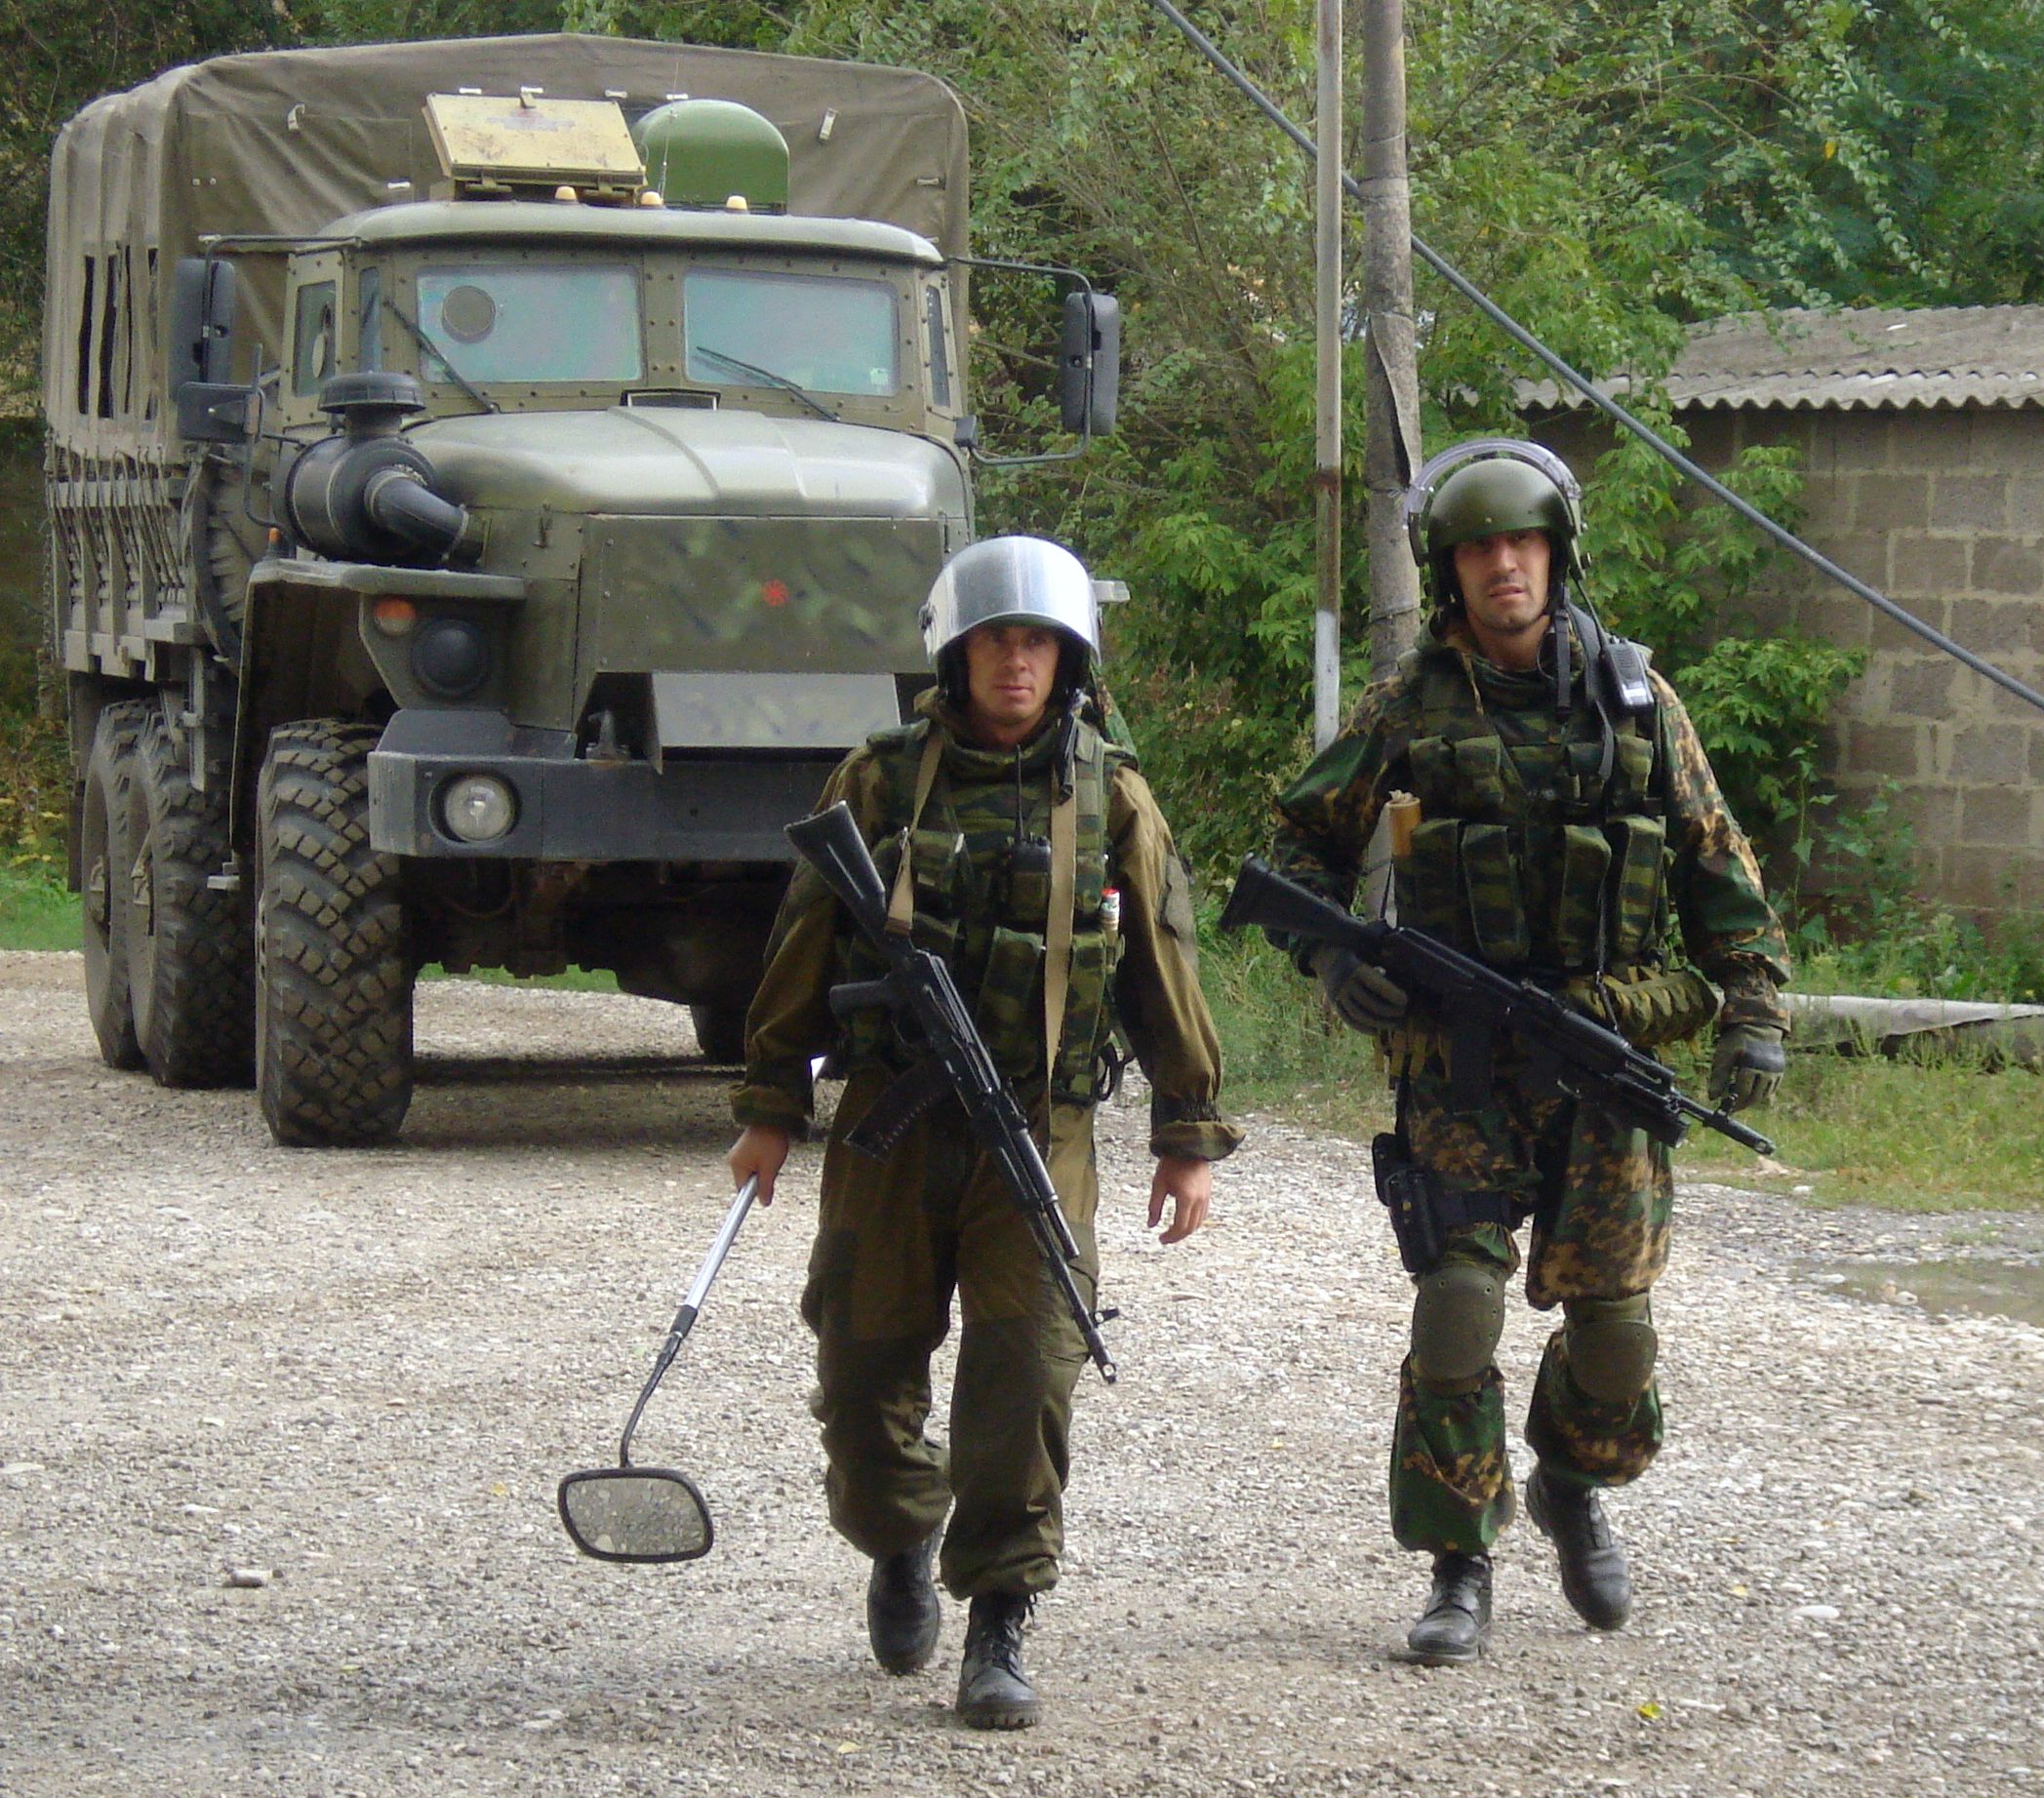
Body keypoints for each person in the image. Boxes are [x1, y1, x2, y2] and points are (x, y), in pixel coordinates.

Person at [1267, 440, 1789, 1664]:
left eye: (1524, 543)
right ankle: (1459, 1562)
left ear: (1556, 551)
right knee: (1456, 1309)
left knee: (1616, 1334)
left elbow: (1720, 866)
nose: (1504, 565)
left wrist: (1754, 1009)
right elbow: (1298, 851)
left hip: (1603, 1058)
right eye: (1478, 548)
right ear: (1449, 570)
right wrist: (1339, 963)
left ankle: (1567, 1480)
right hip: (1457, 1062)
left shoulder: (1638, 699)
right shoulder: (1408, 707)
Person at [726, 536, 1240, 1727]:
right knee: (860, 1369)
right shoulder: (878, 778)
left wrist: (1187, 1128)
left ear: (1068, 656)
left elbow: (1165, 966)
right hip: (888, 1129)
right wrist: (767, 1107)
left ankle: (999, 1614)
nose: (1019, 661)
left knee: (1027, 1372)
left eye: (1040, 640)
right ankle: (899, 1533)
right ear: (956, 653)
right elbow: (801, 947)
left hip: (1037, 1128)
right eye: (998, 638)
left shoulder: (1111, 794)